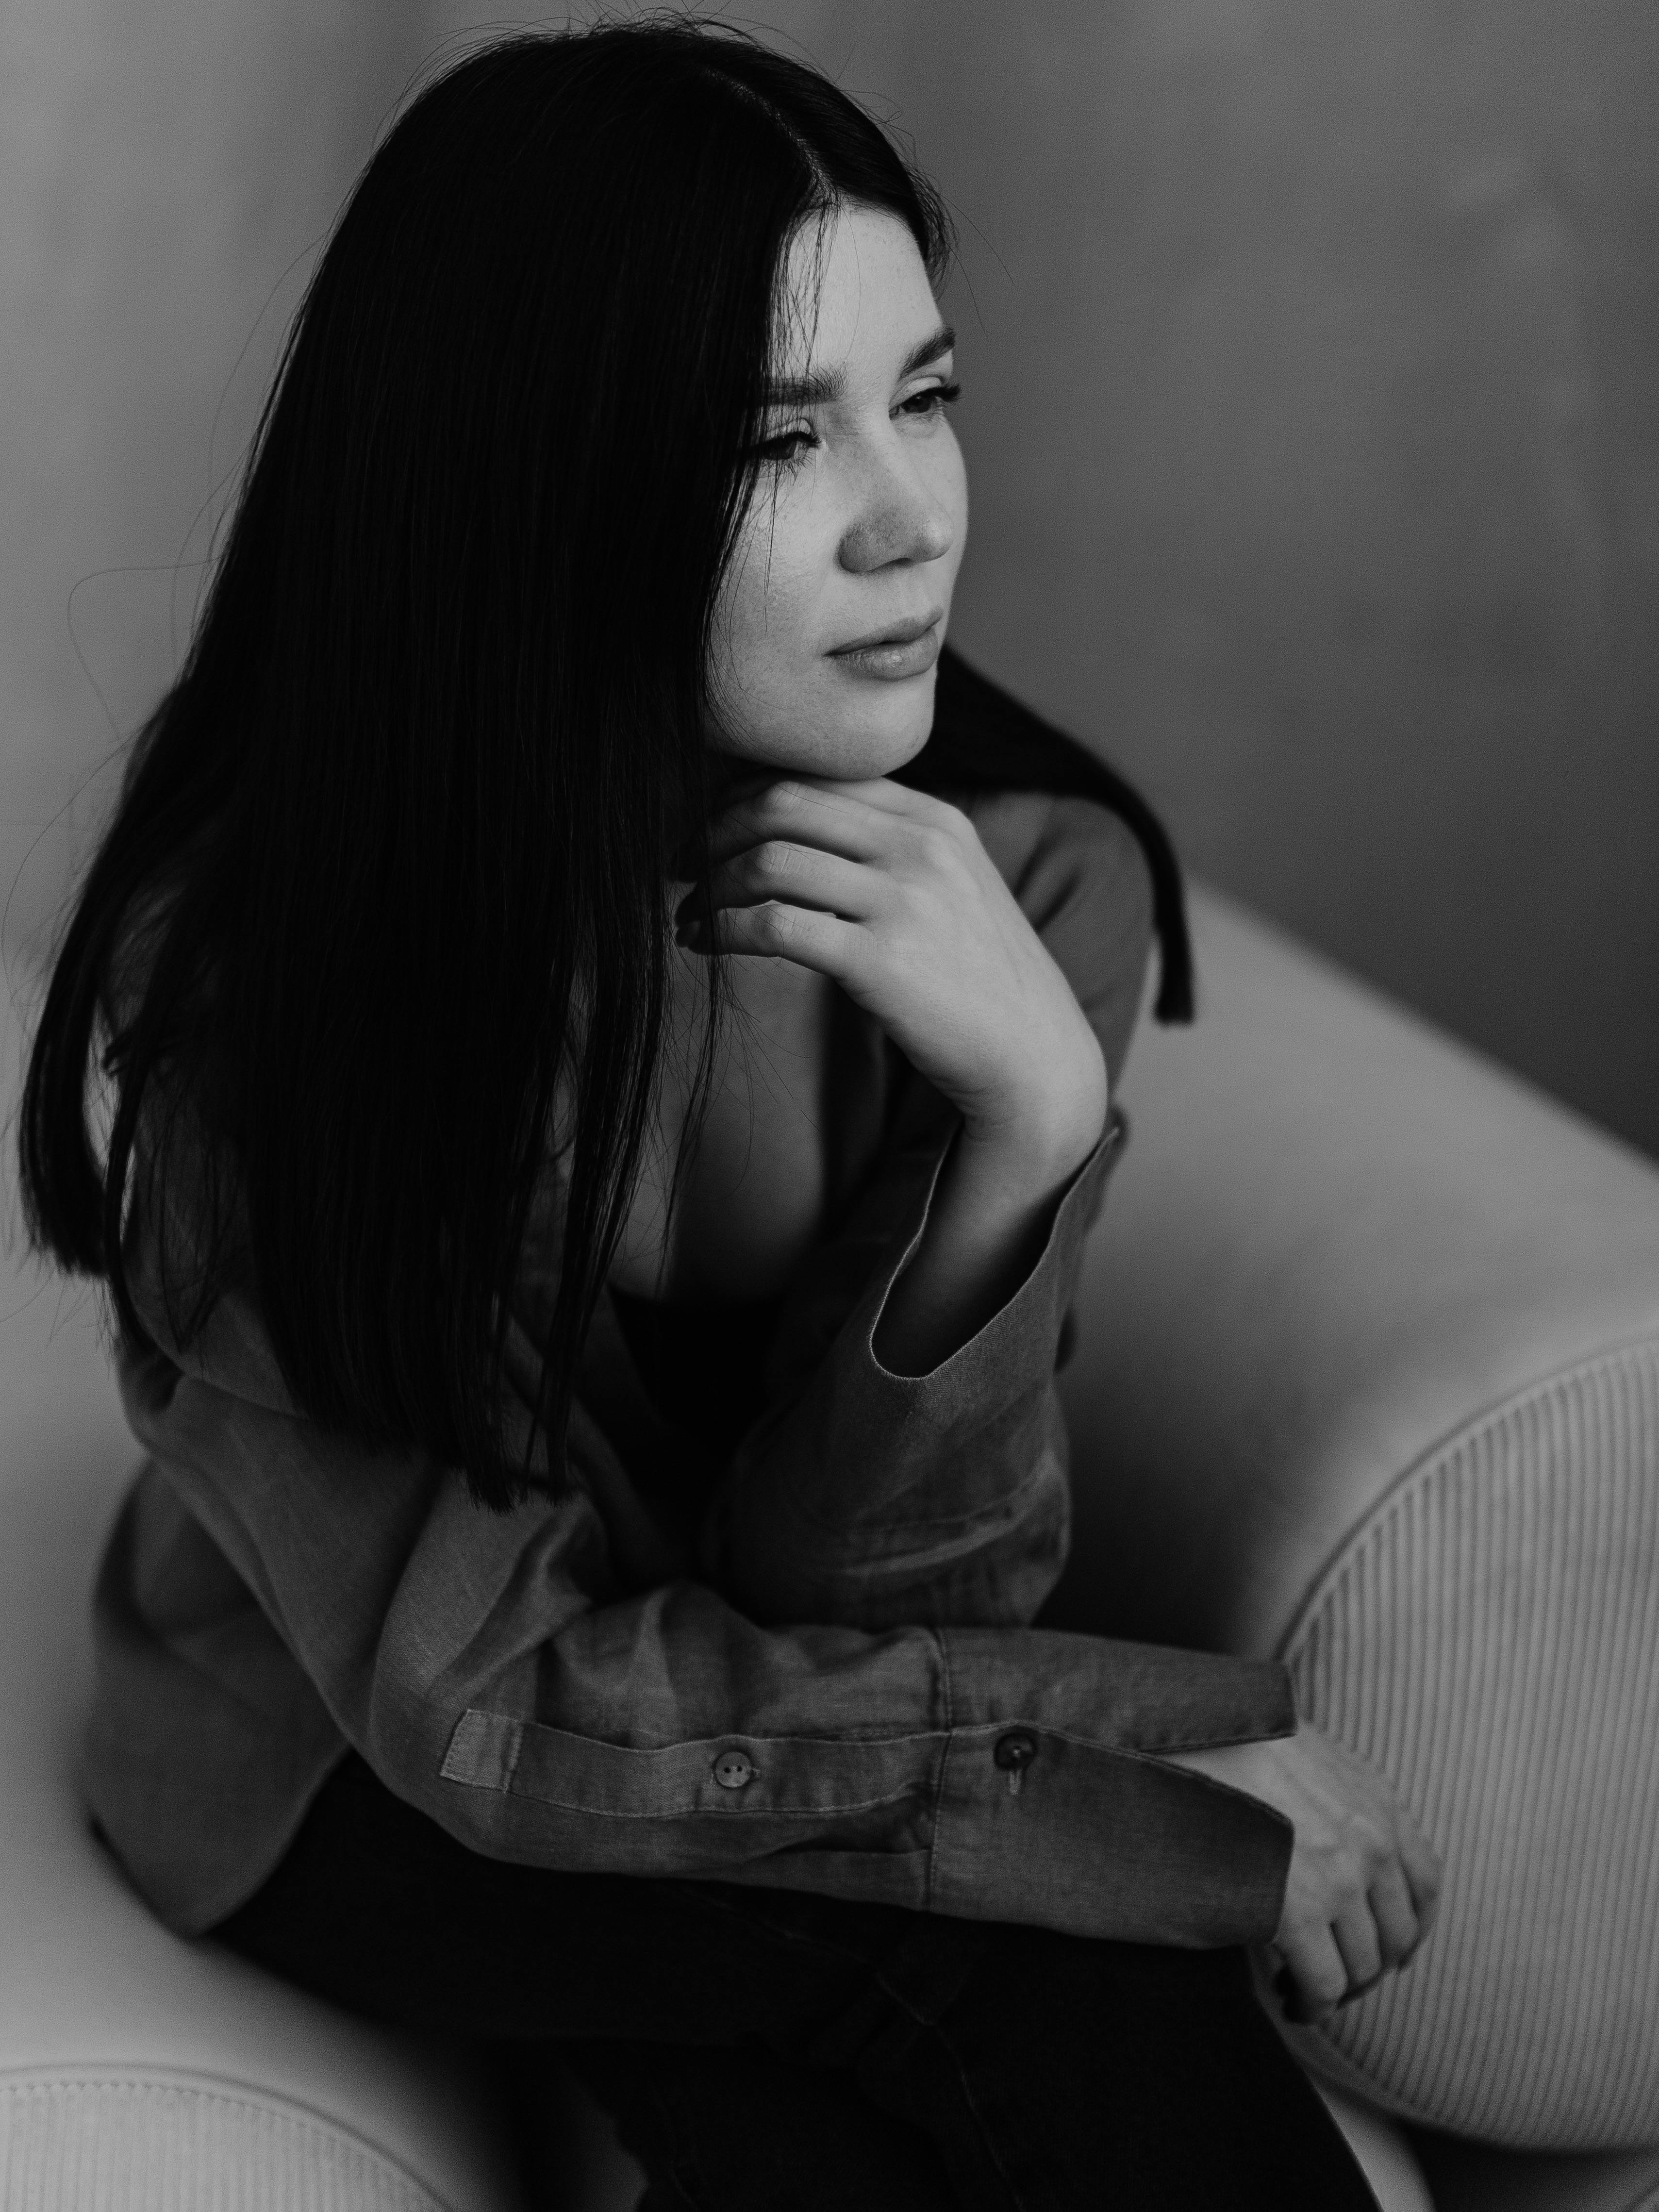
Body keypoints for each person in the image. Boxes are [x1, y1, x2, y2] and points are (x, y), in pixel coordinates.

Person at [17, 19, 1440, 2207]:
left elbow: (882, 1586)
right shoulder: (266, 987)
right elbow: (484, 1709)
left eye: (925, 396)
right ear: (534, 491)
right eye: (779, 440)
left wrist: (1021, 1136)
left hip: (769, 1712)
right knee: (1059, 1958)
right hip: (353, 1761)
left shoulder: (1024, 886)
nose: (910, 521)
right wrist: (1127, 1761)